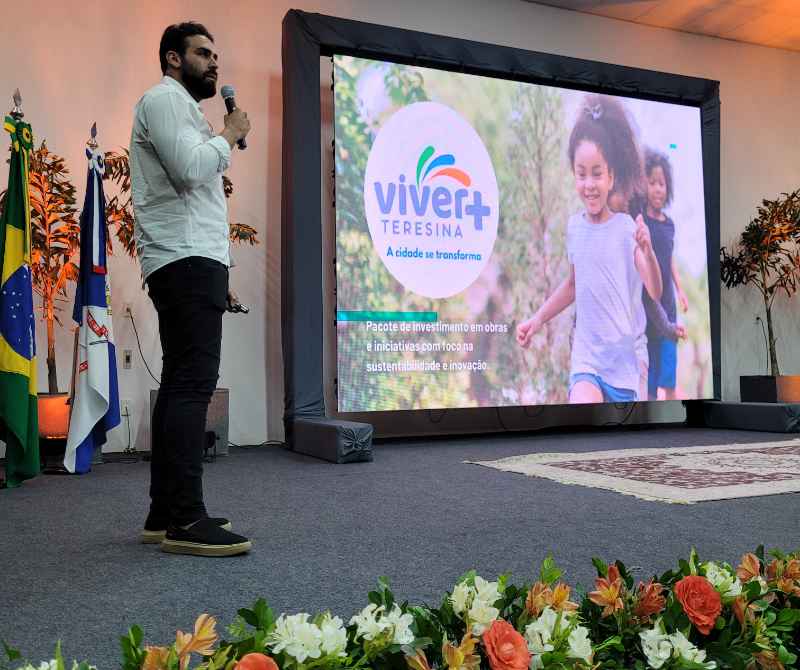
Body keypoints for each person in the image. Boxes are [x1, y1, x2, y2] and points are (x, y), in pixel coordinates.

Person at [130, 22, 252, 556]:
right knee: (191, 387)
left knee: (181, 379)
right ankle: (186, 519)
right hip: (182, 260)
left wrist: (217, 271)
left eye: (215, 54)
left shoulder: (185, 109)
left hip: (192, 260)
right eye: (203, 53)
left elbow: (197, 199)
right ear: (173, 58)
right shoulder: (163, 100)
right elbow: (187, 170)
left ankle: (164, 512)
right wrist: (227, 136)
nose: (214, 63)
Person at [516, 94, 662, 403]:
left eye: (597, 173)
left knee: (624, 449)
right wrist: (538, 319)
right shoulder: (574, 228)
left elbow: (655, 289)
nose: (589, 184)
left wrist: (648, 252)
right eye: (581, 174)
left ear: (611, 176)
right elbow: (571, 285)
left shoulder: (625, 229)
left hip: (624, 365)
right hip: (587, 360)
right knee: (583, 420)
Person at [640, 147, 686, 400]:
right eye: (653, 182)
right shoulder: (640, 222)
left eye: (662, 184)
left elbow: (670, 261)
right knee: (650, 378)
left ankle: (671, 424)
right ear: (644, 185)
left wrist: (681, 291)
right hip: (648, 311)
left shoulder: (669, 224)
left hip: (669, 307)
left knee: (668, 377)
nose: (658, 189)